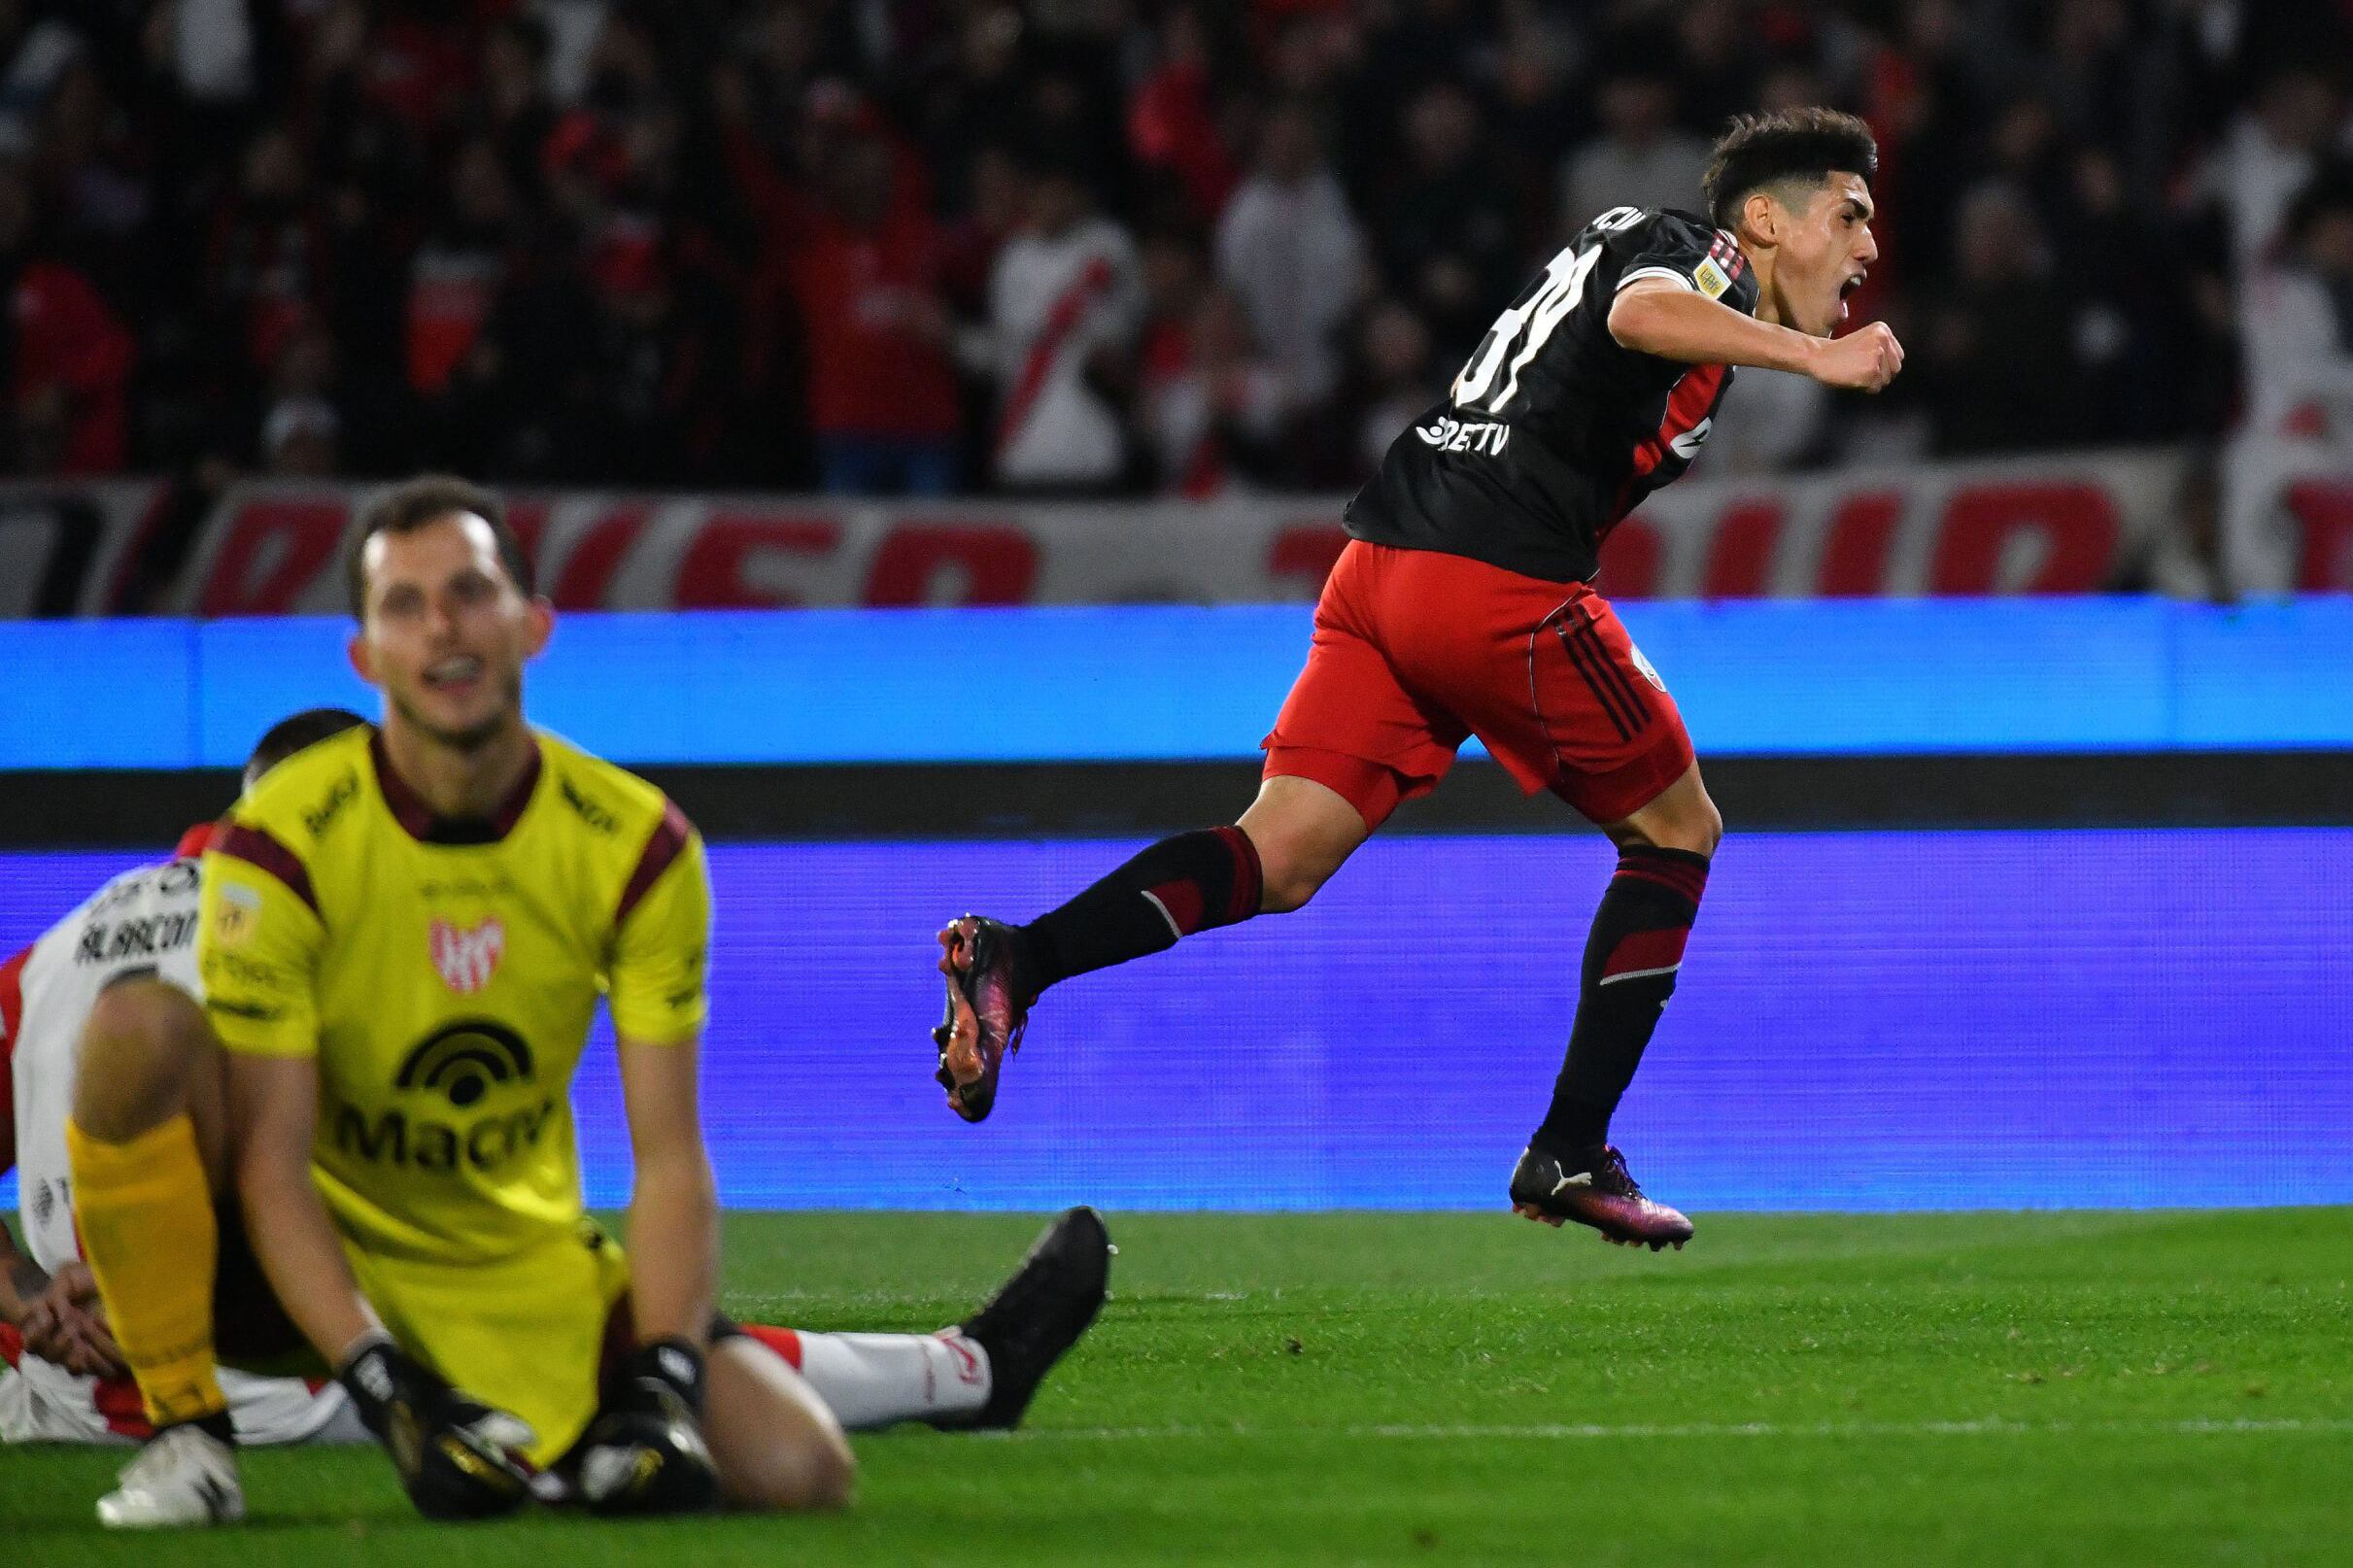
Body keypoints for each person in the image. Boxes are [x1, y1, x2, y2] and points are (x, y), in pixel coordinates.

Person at [934, 109, 1901, 1249]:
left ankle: (1021, 957)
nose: (1867, 248)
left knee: (1279, 853)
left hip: (1382, 566)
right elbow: (1642, 315)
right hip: (1494, 583)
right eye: (1846, 216)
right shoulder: (1710, 264)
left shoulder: (1643, 240)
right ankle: (1569, 1151)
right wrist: (1811, 354)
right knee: (1678, 830)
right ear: (1762, 217)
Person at [59, 479, 1108, 1527]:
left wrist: (663, 1381)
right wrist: (386, 1388)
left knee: (799, 1471)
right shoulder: (279, 843)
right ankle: (187, 1437)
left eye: (470, 594)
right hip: (278, 1262)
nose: (442, 631)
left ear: (533, 624)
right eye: (405, 606)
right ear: (365, 657)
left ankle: (627, 1423)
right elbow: (271, 1164)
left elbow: (668, 1160)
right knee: (137, 1030)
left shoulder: (632, 846)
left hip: (497, 1258)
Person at [0, 703, 1106, 1457]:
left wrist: (32, 1308)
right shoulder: (323, 927)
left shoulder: (74, 937)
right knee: (617, 1350)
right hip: (261, 1383)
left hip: (56, 1390)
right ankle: (965, 1371)